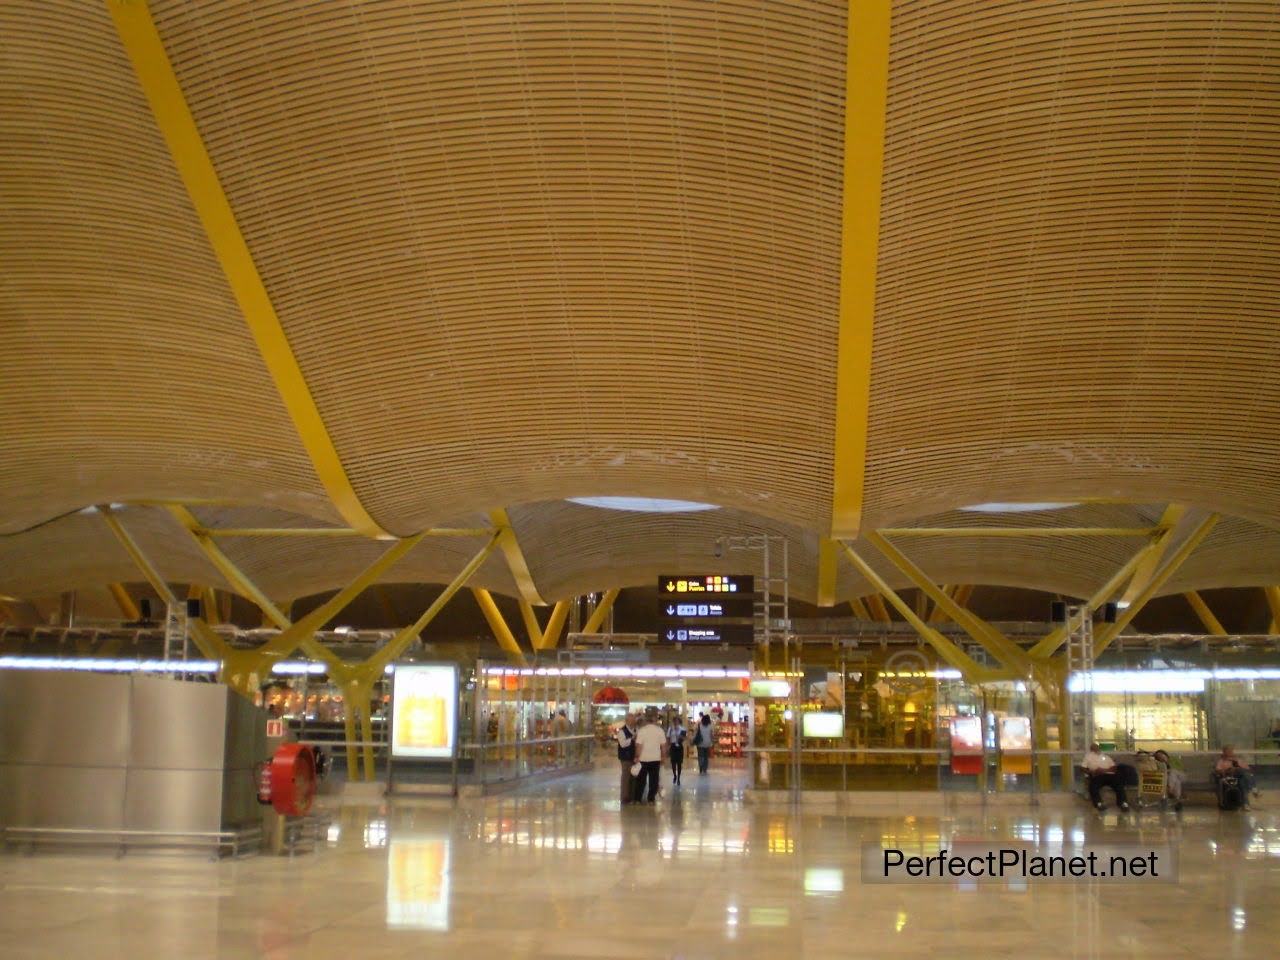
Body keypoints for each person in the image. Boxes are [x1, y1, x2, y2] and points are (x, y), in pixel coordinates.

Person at [1082, 743, 1129, 811]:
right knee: (1093, 786)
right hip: (1097, 775)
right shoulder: (1088, 757)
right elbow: (1082, 768)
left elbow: (1114, 767)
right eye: (1094, 747)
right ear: (1091, 749)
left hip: (1110, 775)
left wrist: (1104, 770)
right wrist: (1092, 772)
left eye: (1096, 747)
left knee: (1119, 785)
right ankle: (1099, 803)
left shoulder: (1105, 756)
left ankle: (1123, 803)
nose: (1096, 748)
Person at [632, 716, 668, 804]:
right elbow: (663, 746)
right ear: (655, 722)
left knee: (641, 780)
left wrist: (637, 756)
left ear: (646, 722)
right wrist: (663, 757)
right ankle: (651, 799)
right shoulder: (660, 731)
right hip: (655, 759)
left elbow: (639, 746)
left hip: (643, 759)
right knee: (654, 780)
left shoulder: (642, 731)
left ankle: (638, 799)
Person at [1215, 745, 1257, 810]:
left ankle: (1245, 804)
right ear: (1224, 752)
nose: (1229, 752)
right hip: (1230, 777)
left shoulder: (1238, 760)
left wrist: (1238, 768)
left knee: (1242, 783)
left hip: (1240, 777)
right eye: (1227, 751)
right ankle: (1253, 788)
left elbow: (1248, 769)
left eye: (1230, 751)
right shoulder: (1222, 761)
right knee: (1241, 772)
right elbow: (1218, 770)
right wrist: (1228, 769)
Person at [615, 713, 637, 804]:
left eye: (634, 720)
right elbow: (623, 744)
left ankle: (632, 796)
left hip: (634, 757)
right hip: (625, 757)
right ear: (627, 721)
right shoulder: (622, 731)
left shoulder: (636, 730)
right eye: (632, 720)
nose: (633, 721)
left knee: (634, 777)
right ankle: (625, 797)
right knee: (626, 777)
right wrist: (632, 739)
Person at [666, 714, 688, 785]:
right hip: (673, 746)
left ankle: (678, 777)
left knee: (679, 763)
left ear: (679, 722)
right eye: (674, 721)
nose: (676, 723)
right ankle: (674, 775)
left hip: (679, 746)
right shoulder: (670, 729)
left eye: (677, 721)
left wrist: (680, 737)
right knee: (673, 762)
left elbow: (684, 738)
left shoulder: (682, 729)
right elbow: (668, 738)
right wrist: (668, 746)